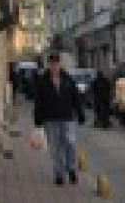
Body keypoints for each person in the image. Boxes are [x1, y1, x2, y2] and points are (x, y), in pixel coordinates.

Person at [33, 50, 85, 187]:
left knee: (70, 143)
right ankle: (59, 173)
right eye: (51, 64)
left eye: (56, 63)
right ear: (48, 65)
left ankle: (72, 168)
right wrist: (37, 120)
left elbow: (76, 98)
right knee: (55, 147)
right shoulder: (42, 81)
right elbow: (38, 101)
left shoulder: (68, 79)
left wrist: (80, 113)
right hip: (50, 119)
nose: (54, 66)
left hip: (67, 117)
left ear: (60, 64)